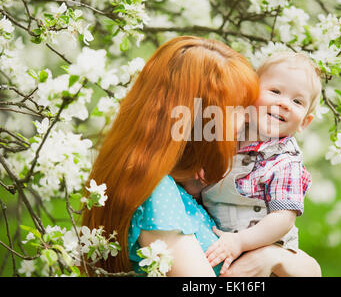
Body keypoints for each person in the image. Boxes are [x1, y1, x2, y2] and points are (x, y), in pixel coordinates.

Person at [82, 37, 321, 277]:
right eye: (237, 109)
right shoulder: (156, 192)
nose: (247, 119)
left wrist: (273, 256)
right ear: (198, 118)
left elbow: (311, 269)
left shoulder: (190, 182)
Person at [201, 52, 322, 275]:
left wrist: (240, 242)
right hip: (221, 242)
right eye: (275, 91)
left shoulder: (286, 162)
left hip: (263, 254)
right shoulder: (229, 134)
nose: (284, 103)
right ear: (251, 95)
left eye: (297, 101)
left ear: (305, 121)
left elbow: (283, 219)